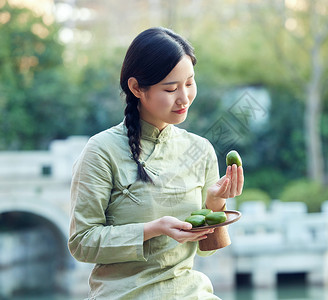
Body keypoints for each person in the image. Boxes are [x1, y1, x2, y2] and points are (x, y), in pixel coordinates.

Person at [68, 27, 244, 299]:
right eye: (171, 88)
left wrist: (215, 204)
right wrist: (152, 229)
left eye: (189, 83)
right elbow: (82, 243)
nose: (184, 98)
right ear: (137, 88)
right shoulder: (102, 151)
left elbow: (208, 247)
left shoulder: (200, 149)